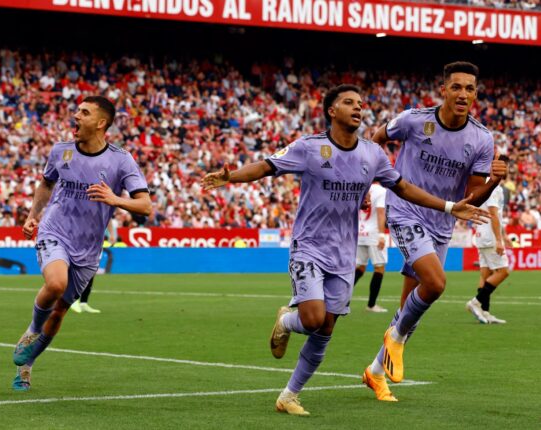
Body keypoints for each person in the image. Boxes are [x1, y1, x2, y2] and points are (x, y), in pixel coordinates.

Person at [201, 84, 490, 416]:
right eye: (349, 102)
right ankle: (287, 321)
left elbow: (404, 188)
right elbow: (267, 166)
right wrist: (232, 177)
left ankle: (289, 396)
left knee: (326, 328)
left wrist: (450, 207)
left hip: (343, 254)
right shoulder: (310, 147)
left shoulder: (372, 154)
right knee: (312, 319)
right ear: (332, 111)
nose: (357, 107)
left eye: (360, 103)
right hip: (309, 246)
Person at [363, 61, 508, 400]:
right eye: (456, 87)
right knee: (436, 283)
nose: (463, 94)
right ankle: (394, 340)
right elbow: (376, 140)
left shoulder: (481, 139)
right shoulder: (414, 120)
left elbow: (472, 196)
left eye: (469, 88)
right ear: (443, 90)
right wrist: (376, 179)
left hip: (442, 222)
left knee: (409, 312)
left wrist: (494, 181)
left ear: (476, 94)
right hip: (405, 210)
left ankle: (375, 372)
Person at [11, 96, 152, 391]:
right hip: (55, 231)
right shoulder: (61, 151)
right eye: (77, 110)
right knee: (56, 284)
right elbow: (46, 183)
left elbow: (145, 206)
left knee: (60, 311)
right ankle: (32, 331)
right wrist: (32, 216)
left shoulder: (121, 160)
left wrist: (114, 199)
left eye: (84, 112)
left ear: (101, 123)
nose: (76, 116)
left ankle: (26, 366)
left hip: (88, 247)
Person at [467, 183, 509, 324]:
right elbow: (493, 214)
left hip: (482, 235)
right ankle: (476, 302)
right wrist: (499, 240)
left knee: (485, 275)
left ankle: (484, 311)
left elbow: (497, 215)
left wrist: (504, 235)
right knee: (503, 272)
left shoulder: (487, 187)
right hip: (490, 238)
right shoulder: (493, 188)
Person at [355, 183, 389, 313]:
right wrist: (381, 235)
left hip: (359, 232)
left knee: (359, 268)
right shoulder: (381, 191)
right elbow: (381, 212)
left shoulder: (361, 186)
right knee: (379, 268)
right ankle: (371, 305)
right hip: (374, 233)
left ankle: (341, 300)